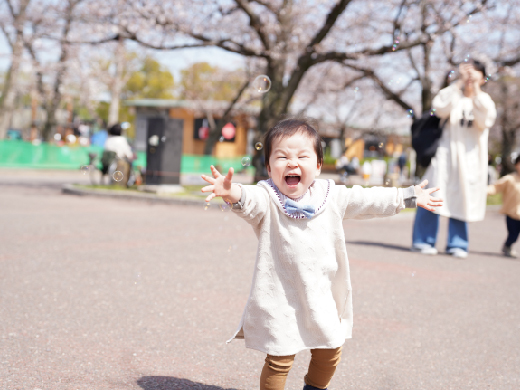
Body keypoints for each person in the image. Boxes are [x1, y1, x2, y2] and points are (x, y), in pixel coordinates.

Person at [201, 118, 442, 390]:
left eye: (302, 156)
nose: (292, 163)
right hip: (280, 296)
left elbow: (367, 199)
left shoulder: (331, 196)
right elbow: (249, 200)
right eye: (281, 157)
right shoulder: (267, 196)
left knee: (329, 352)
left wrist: (407, 197)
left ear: (317, 165)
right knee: (280, 358)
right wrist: (231, 192)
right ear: (269, 167)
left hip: (321, 294)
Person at [411, 59, 497, 258]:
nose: (470, 76)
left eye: (476, 73)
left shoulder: (485, 100)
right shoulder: (452, 93)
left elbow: (486, 119)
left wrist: (474, 89)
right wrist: (458, 83)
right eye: (468, 71)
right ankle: (423, 240)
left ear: (483, 78)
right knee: (433, 193)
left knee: (463, 199)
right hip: (445, 154)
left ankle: (458, 243)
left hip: (470, 159)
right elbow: (439, 108)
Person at [487, 156, 520, 258]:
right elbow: (495, 187)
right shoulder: (509, 179)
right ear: (516, 165)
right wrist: (482, 191)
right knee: (513, 234)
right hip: (512, 213)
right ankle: (508, 245)